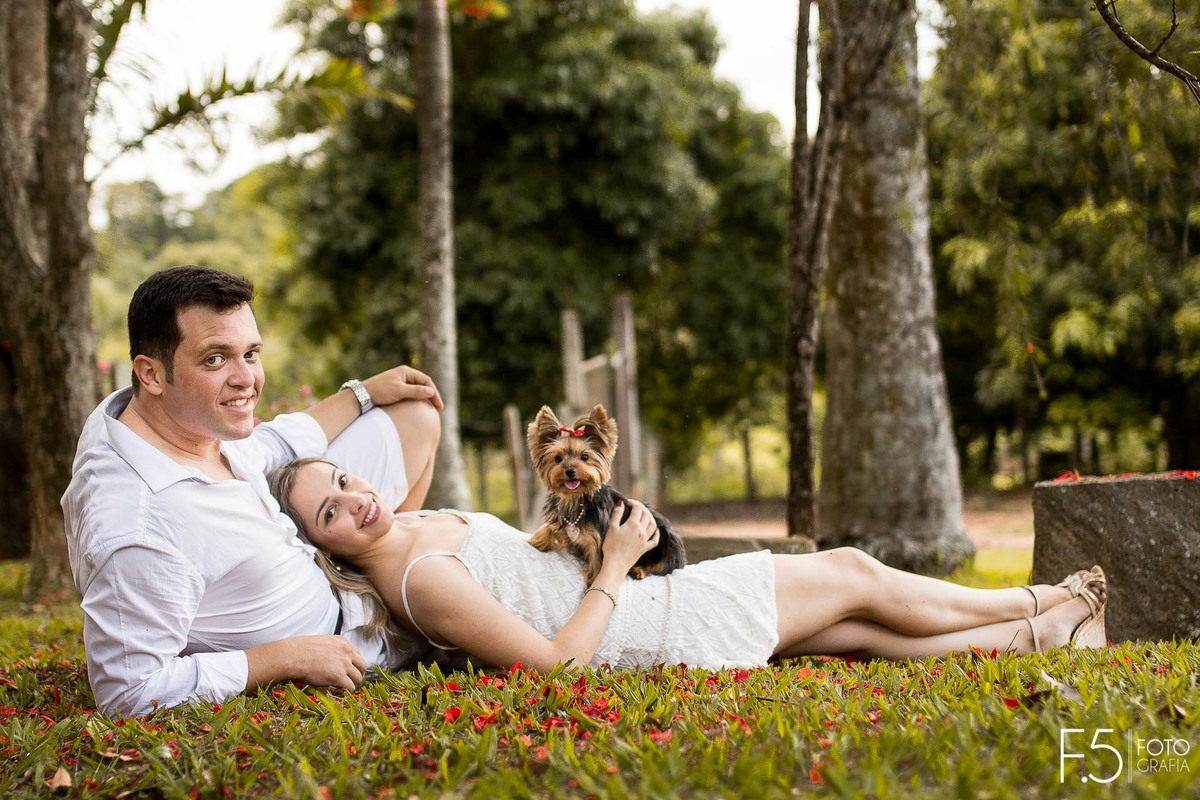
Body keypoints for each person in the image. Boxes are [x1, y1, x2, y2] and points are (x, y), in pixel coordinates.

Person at [268, 456, 1108, 673]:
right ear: (321, 544)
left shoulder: (409, 519)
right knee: (854, 572)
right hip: (655, 621)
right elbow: (556, 664)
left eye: (344, 479)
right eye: (328, 511)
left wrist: (370, 391)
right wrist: (621, 559)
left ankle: (1045, 635)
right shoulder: (416, 577)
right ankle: (1043, 598)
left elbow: (418, 427)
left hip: (652, 606)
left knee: (856, 629)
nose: (354, 500)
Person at [62, 265, 444, 717]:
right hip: (352, 633)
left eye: (251, 353)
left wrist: (364, 393)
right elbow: (127, 694)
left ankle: (389, 555)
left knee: (414, 414)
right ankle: (408, 589)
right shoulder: (138, 525)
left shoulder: (159, 420)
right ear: (151, 374)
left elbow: (271, 446)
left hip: (328, 561)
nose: (247, 379)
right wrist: (282, 658)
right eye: (215, 359)